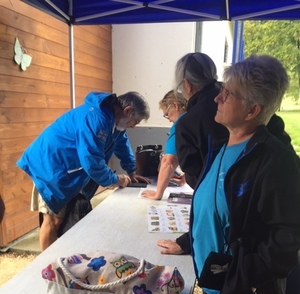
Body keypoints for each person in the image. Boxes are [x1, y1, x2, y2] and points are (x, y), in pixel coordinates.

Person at [192, 54, 300, 294]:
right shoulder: (228, 142)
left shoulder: (276, 161)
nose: (217, 97)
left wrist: (240, 279)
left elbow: (287, 241)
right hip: (218, 281)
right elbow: (219, 206)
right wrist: (187, 239)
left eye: (228, 93)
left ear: (253, 110)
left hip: (239, 292)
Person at [17, 91, 150, 251]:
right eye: (135, 121)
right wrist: (115, 179)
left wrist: (131, 171)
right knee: (52, 220)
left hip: (65, 168)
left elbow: (121, 143)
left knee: (61, 219)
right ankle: (48, 268)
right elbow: (92, 162)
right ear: (127, 110)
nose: (134, 126)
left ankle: (60, 258)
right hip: (49, 165)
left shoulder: (115, 122)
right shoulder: (96, 118)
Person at [156, 52, 228, 255]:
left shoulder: (190, 121)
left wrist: (187, 241)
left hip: (225, 217)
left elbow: (206, 186)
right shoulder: (230, 101)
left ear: (186, 85)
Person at [141, 90, 187, 200]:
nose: (170, 120)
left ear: (175, 106)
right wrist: (188, 176)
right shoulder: (199, 118)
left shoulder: (181, 123)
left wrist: (158, 193)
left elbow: (169, 161)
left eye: (167, 115)